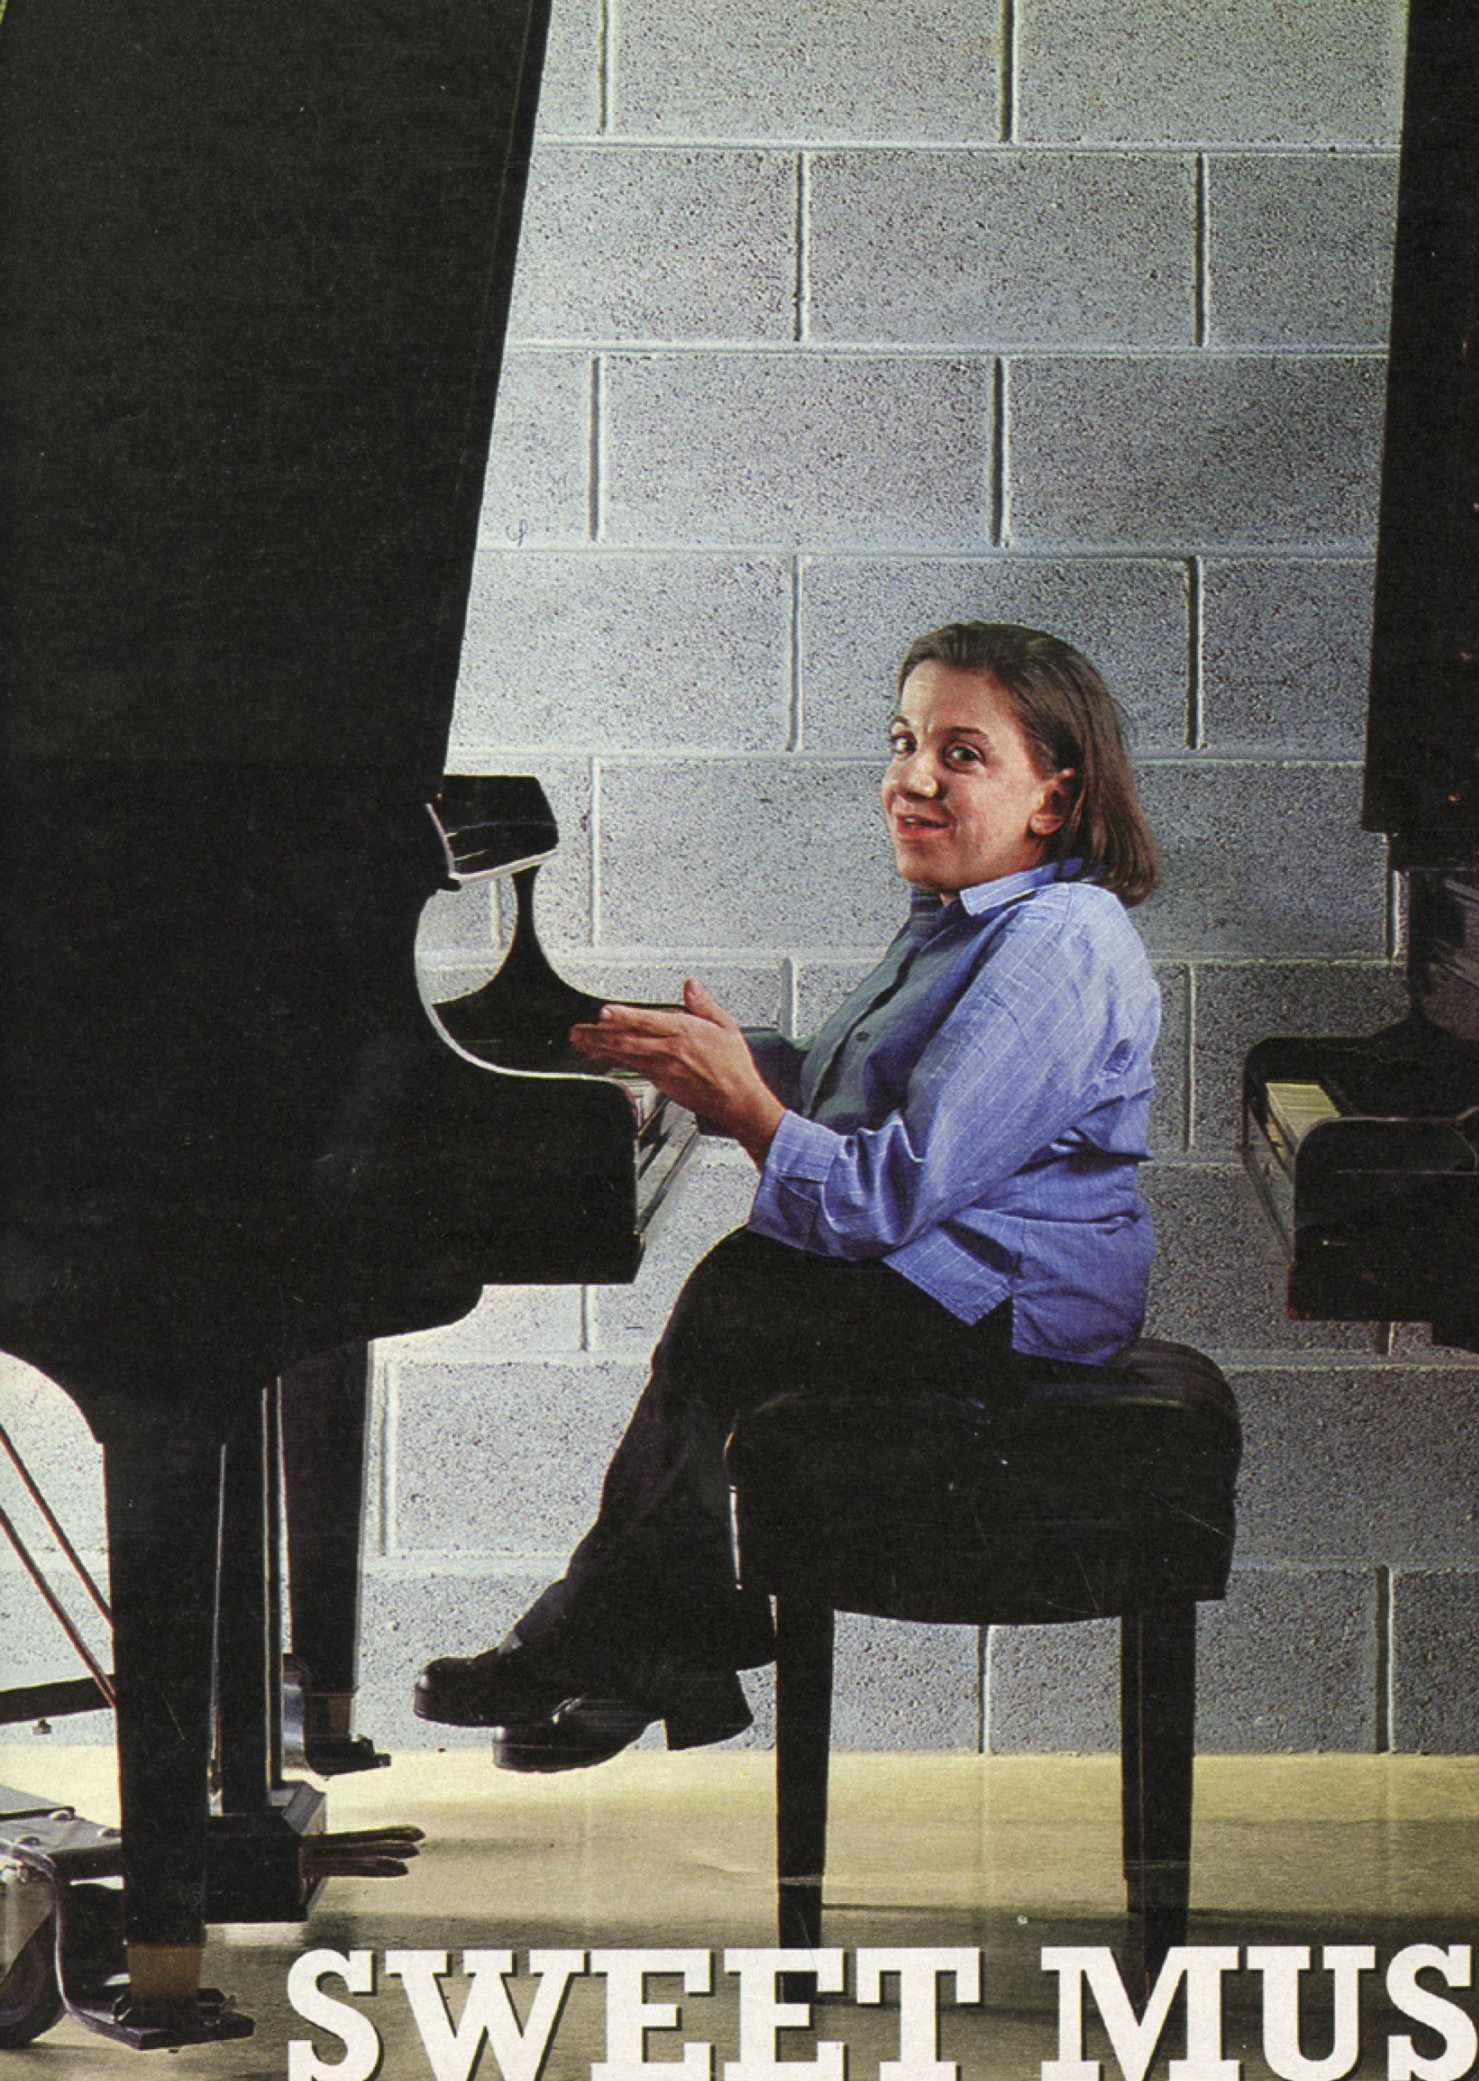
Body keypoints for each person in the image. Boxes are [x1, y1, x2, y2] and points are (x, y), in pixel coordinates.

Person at [414, 621, 1162, 1769]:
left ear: (1052, 800)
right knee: (745, 1296)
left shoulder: (1060, 944)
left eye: (962, 754)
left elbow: (884, 1191)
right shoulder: (971, 923)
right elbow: (863, 1095)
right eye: (905, 740)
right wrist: (703, 1059)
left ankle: (624, 1639)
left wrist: (751, 1109)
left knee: (742, 1296)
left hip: (1021, 1311)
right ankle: (648, 1642)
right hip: (957, 1274)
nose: (912, 777)